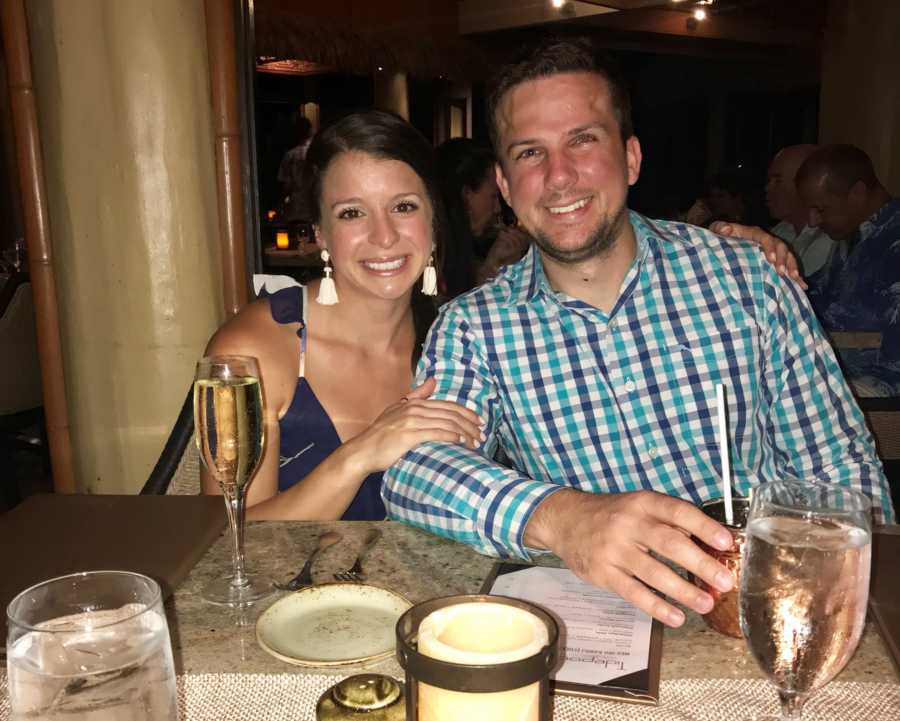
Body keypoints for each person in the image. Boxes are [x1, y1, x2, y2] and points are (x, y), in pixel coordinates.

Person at [383, 37, 894, 629]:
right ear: (504, 186)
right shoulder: (476, 325)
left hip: (761, 613)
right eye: (530, 153)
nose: (559, 175)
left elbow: (840, 470)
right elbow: (415, 471)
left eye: (582, 139)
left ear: (630, 158)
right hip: (595, 630)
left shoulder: (746, 277)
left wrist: (843, 609)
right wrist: (562, 517)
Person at [203, 110, 482, 520]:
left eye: (403, 206)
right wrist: (362, 453)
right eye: (352, 213)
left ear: (434, 220)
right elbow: (226, 537)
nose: (383, 236)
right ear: (319, 232)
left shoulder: (459, 338)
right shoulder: (253, 352)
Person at [796, 144, 900, 385]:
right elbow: (814, 296)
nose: (813, 222)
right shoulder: (854, 236)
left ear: (858, 193)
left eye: (820, 209)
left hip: (882, 394)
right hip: (838, 376)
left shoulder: (892, 244)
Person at [436, 138, 530, 297]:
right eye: (493, 197)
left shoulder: (477, 248)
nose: (497, 209)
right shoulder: (432, 257)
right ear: (466, 196)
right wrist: (491, 268)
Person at [766, 144, 835, 277]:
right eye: (769, 180)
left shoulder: (833, 242)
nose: (768, 188)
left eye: (777, 180)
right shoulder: (781, 231)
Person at [277, 114, 314, 223]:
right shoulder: (316, 154)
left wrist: (281, 203)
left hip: (296, 207)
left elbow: (285, 184)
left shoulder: (290, 155)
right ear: (310, 132)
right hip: (313, 206)